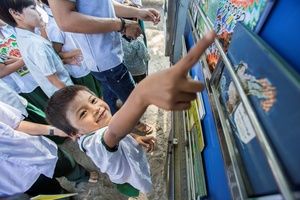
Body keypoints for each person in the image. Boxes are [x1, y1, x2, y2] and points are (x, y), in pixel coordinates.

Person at [45, 31, 216, 197]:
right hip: (127, 179)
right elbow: (113, 132)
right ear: (75, 133)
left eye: (93, 100)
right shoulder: (93, 142)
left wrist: (135, 137)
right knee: (139, 191)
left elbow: (116, 132)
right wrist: (142, 94)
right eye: (83, 113)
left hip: (129, 158)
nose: (96, 109)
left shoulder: (99, 131)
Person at [47, 0, 161, 134]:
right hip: (106, 60)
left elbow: (101, 5)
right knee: (131, 96)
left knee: (110, 91)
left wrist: (136, 12)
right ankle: (132, 123)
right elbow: (66, 20)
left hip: (106, 58)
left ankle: (113, 117)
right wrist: (122, 25)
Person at [0, 101, 98, 198]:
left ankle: (81, 176)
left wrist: (53, 130)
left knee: (67, 165)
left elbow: (16, 124)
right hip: (17, 182)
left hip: (36, 151)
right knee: (55, 195)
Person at [0, 0, 74, 98]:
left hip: (57, 94)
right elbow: (53, 79)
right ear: (16, 14)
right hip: (64, 92)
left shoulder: (23, 38)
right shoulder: (35, 44)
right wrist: (74, 95)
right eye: (33, 8)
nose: (39, 13)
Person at [41, 0, 103, 98]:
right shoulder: (54, 26)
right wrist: (78, 51)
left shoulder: (71, 13)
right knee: (93, 97)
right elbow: (56, 54)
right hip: (80, 69)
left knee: (100, 93)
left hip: (89, 63)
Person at [0, 19, 49, 111]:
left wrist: (22, 59)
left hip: (41, 73)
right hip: (27, 87)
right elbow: (2, 71)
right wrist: (27, 58)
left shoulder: (8, 28)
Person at [120, 0, 150, 84]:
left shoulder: (117, 37)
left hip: (127, 70)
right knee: (142, 87)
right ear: (135, 19)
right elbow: (145, 55)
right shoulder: (137, 40)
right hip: (140, 71)